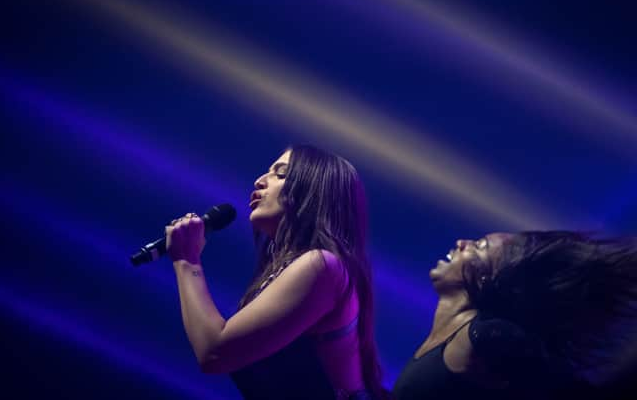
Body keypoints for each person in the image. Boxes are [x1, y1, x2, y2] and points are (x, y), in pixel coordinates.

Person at [165, 145, 386, 400]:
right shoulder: (292, 269)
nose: (259, 181)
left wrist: (187, 259)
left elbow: (214, 352)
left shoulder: (321, 265)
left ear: (313, 191)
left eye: (280, 174)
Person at [392, 231, 637, 400]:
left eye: (479, 247)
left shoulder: (486, 337)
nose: (461, 242)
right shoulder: (448, 338)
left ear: (488, 278)